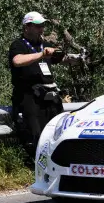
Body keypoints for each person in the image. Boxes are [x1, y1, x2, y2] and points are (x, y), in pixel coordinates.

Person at [9, 12, 78, 163]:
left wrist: (73, 59)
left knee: (58, 129)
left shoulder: (44, 45)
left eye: (43, 25)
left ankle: (60, 162)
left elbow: (60, 58)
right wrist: (41, 55)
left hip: (49, 94)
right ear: (27, 26)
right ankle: (40, 165)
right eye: (38, 25)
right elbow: (17, 60)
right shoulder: (18, 45)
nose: (42, 28)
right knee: (36, 133)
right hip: (29, 96)